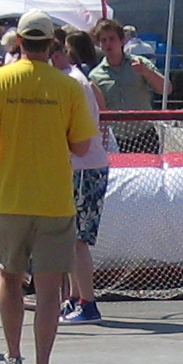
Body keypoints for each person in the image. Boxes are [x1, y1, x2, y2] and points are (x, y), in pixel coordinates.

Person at [0, 10, 95, 364]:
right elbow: (82, 145)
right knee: (48, 287)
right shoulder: (69, 87)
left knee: (9, 276)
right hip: (55, 199)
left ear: (20, 42)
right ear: (53, 45)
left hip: (8, 196)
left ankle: (13, 359)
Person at [61, 26, 114, 324]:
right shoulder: (71, 81)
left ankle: (88, 302)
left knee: (79, 239)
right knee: (69, 236)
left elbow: (80, 134)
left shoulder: (74, 82)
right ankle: (73, 297)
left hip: (85, 167)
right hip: (77, 166)